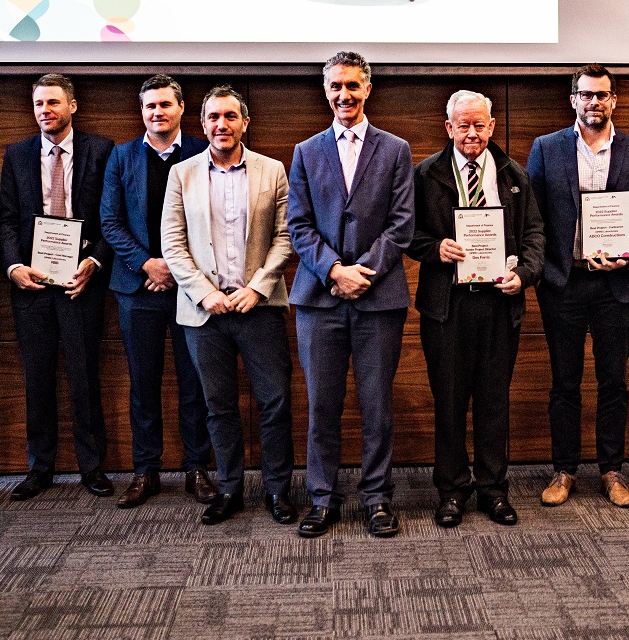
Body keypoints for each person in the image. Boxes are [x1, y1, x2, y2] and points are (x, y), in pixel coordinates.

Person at [285, 51, 416, 538]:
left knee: (377, 405)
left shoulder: (396, 149)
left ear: (368, 89)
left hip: (379, 299)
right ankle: (322, 498)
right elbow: (298, 225)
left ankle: (378, 499)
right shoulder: (305, 151)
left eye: (354, 86)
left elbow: (402, 225)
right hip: (319, 300)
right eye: (336, 85)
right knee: (322, 404)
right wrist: (334, 270)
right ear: (326, 91)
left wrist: (363, 272)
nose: (345, 94)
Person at [526, 64, 629, 509]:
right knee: (564, 383)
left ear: (614, 100)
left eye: (602, 95)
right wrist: (550, 265)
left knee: (614, 382)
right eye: (585, 95)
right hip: (564, 284)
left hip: (616, 286)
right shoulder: (546, 148)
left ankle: (612, 471)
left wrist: (628, 255)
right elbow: (532, 218)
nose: (594, 102)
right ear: (573, 100)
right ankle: (564, 470)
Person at [160, 86, 300, 526]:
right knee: (218, 406)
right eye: (214, 118)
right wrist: (205, 292)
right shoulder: (182, 174)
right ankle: (229, 488)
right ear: (202, 125)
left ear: (245, 122)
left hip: (258, 308)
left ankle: (278, 491)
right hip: (204, 313)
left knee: (275, 402)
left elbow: (286, 237)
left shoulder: (272, 170)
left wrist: (257, 288)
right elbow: (173, 243)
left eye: (230, 117)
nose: (222, 125)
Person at [407, 89, 546, 528]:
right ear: (448, 128)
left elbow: (535, 236)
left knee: (493, 402)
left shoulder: (514, 175)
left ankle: (493, 490)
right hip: (446, 309)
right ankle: (451, 492)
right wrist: (435, 247)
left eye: (479, 124)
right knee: (448, 403)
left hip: (499, 307)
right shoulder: (425, 174)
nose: (472, 133)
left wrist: (524, 274)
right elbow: (405, 233)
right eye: (462, 125)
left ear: (492, 125)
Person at [101, 75, 217, 508]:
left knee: (195, 382)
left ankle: (197, 468)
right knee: (143, 383)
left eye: (165, 105)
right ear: (142, 110)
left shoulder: (202, 154)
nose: (157, 113)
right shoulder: (121, 156)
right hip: (138, 286)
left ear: (182, 108)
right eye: (150, 106)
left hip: (191, 287)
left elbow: (211, 220)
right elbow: (109, 221)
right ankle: (145, 471)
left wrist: (177, 270)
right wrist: (147, 263)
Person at [0, 75, 116, 502]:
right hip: (31, 284)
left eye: (52, 102)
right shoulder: (17, 155)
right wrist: (12, 267)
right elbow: (7, 219)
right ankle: (40, 467)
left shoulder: (101, 151)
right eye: (38, 104)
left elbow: (111, 217)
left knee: (84, 376)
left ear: (73, 106)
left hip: (81, 282)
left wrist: (96, 261)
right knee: (38, 378)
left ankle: (92, 466)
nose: (44, 110)